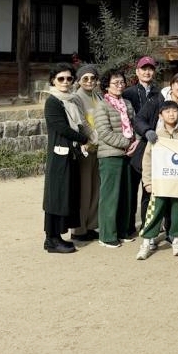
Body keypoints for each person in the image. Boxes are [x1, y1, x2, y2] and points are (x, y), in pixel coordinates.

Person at [135, 71, 178, 239]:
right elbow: (139, 119)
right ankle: (148, 231)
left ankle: (173, 233)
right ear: (171, 84)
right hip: (155, 153)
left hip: (177, 159)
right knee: (150, 194)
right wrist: (147, 131)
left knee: (175, 195)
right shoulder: (157, 100)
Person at [42, 64, 88, 254]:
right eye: (61, 78)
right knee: (56, 196)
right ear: (53, 80)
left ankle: (58, 237)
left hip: (71, 154)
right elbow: (62, 128)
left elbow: (78, 123)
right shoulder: (52, 101)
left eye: (69, 78)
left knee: (66, 195)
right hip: (58, 156)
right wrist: (84, 138)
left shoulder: (71, 100)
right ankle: (51, 239)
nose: (65, 82)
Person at [136, 101, 178, 260]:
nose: (171, 114)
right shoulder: (156, 135)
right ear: (161, 115)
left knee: (177, 210)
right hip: (160, 182)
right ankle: (147, 242)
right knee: (155, 211)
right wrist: (147, 181)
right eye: (167, 111)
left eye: (174, 111)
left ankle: (176, 239)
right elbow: (147, 159)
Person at [94, 69, 138, 248]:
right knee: (110, 196)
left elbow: (134, 125)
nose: (120, 86)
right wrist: (126, 143)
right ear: (107, 86)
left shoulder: (127, 103)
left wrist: (136, 142)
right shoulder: (102, 105)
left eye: (122, 82)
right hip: (110, 154)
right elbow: (104, 132)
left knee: (125, 195)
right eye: (115, 83)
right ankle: (106, 235)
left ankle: (122, 230)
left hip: (128, 154)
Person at [121, 56, 160, 232]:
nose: (147, 72)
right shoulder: (128, 93)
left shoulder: (158, 93)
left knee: (148, 187)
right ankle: (128, 225)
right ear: (137, 72)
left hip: (151, 144)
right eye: (144, 69)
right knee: (130, 188)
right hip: (133, 145)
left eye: (150, 69)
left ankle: (148, 224)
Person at [70, 64, 100, 242]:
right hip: (86, 147)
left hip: (99, 148)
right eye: (85, 78)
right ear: (79, 81)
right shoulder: (76, 98)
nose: (89, 81)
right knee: (84, 190)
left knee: (96, 188)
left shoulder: (98, 96)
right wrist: (95, 138)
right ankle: (79, 229)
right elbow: (81, 121)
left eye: (92, 78)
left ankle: (90, 226)